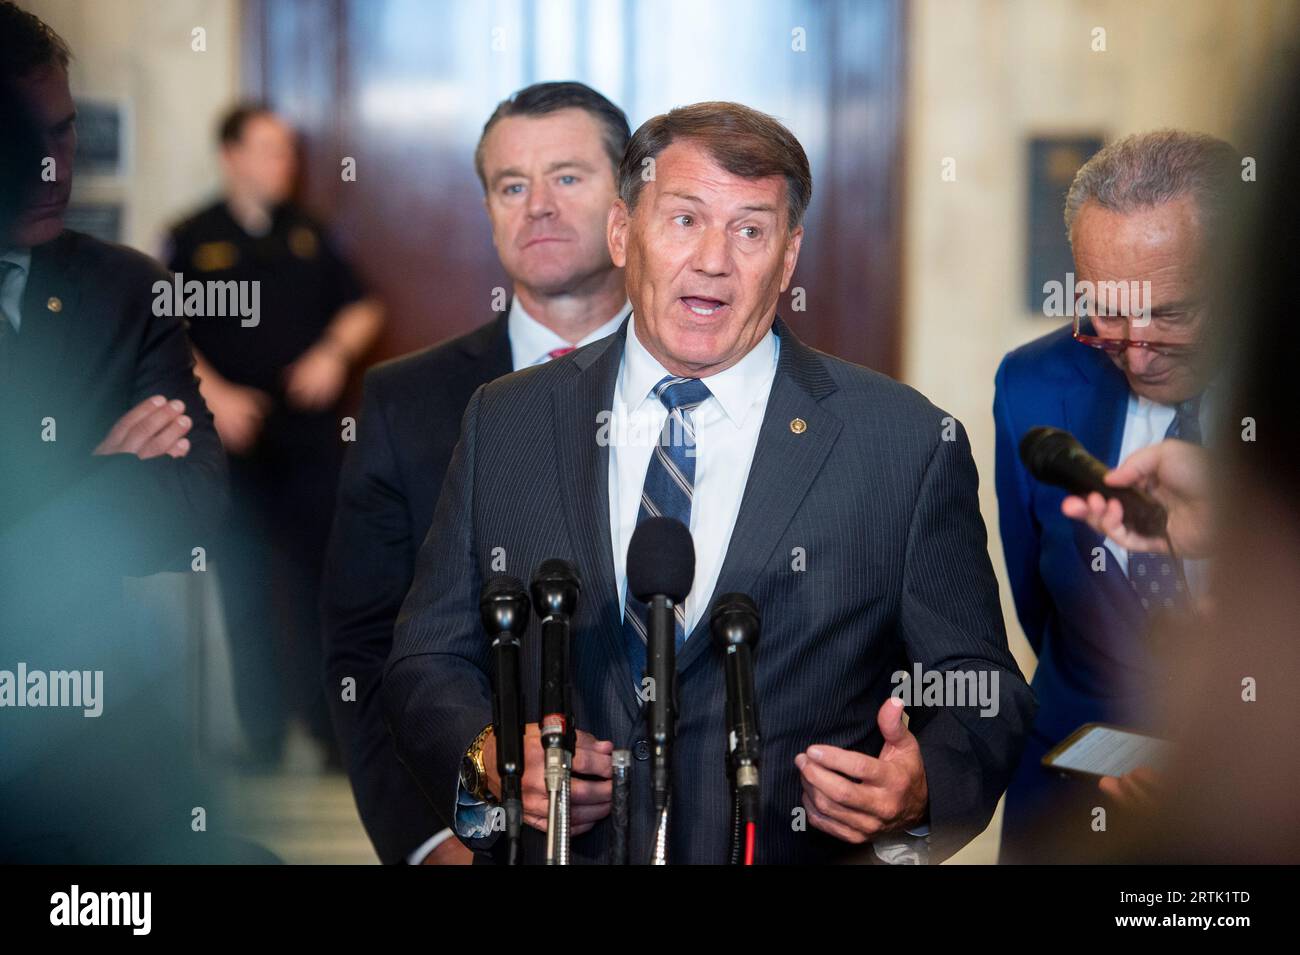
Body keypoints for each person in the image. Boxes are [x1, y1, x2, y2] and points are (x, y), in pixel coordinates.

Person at [384, 101, 1034, 864]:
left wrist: (922, 784)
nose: (714, 260)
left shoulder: (905, 444)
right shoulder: (508, 420)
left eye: (750, 230)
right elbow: (427, 658)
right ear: (623, 232)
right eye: (685, 220)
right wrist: (495, 759)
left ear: (788, 258)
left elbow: (980, 685)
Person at [322, 81, 633, 865]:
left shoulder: (709, 382)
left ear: (628, 199)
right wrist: (430, 840)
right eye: (511, 185)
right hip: (489, 839)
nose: (537, 205)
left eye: (567, 177)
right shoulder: (406, 401)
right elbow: (364, 651)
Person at [0, 1, 233, 860]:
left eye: (63, 132)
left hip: (95, 734)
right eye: (24, 141)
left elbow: (197, 496)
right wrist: (96, 473)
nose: (53, 167)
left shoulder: (125, 287)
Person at [992, 130, 1243, 861]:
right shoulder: (1033, 386)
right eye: (1105, 309)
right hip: (1068, 804)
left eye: (1172, 313)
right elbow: (1039, 602)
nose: (1135, 347)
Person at [165, 105, 385, 765]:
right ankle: (260, 739)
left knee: (324, 584)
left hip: (311, 438)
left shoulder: (309, 234)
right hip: (231, 439)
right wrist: (216, 393)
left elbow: (363, 305)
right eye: (266, 150)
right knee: (242, 584)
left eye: (287, 151)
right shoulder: (191, 236)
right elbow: (164, 324)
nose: (281, 164)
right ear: (230, 154)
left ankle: (329, 735)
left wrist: (331, 354)